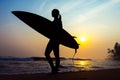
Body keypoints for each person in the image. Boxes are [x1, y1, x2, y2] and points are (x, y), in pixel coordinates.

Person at [45, 9, 63, 74]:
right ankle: (55, 69)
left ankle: (54, 69)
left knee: (47, 54)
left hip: (54, 40)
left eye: (52, 12)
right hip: (55, 40)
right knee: (56, 56)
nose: (51, 13)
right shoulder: (57, 21)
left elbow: (60, 31)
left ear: (55, 13)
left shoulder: (57, 21)